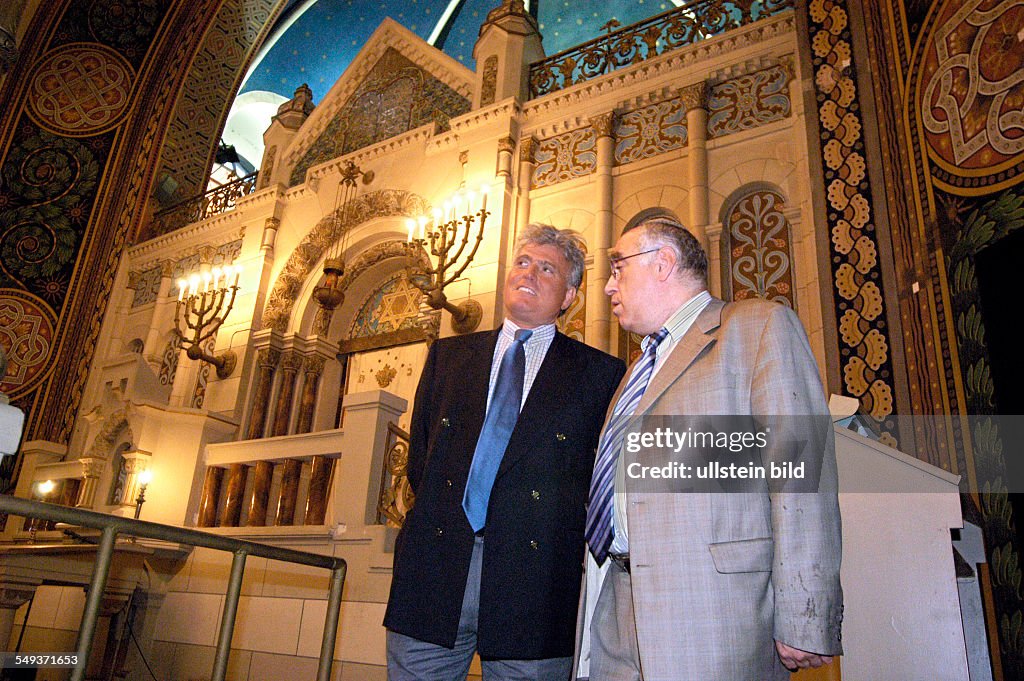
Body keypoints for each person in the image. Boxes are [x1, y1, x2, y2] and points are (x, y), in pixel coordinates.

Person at [575, 216, 843, 680]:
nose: (607, 287)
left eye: (618, 268)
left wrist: (806, 614)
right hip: (616, 607)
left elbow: (802, 477)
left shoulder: (756, 327)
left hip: (716, 616)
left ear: (663, 263)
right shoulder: (635, 372)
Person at [385, 223, 626, 680]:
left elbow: (600, 483)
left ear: (569, 296)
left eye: (546, 268)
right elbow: (422, 461)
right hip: (434, 574)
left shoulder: (600, 375)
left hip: (535, 587)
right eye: (522, 261)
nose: (528, 273)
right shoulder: (447, 356)